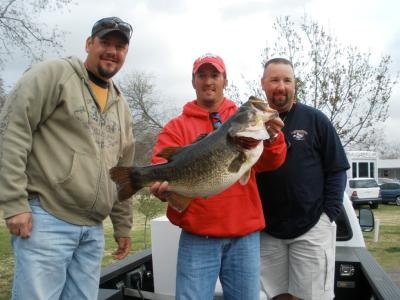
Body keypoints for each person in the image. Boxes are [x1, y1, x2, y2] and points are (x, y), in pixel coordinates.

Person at [0, 17, 135, 300]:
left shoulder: (122, 107)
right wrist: (14, 203)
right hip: (46, 219)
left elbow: (124, 173)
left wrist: (122, 226)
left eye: (120, 46)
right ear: (89, 44)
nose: (112, 51)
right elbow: (12, 132)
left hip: (92, 232)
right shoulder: (54, 75)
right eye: (105, 42)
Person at [150, 53, 287, 300]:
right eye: (202, 75)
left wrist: (274, 137)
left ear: (225, 81)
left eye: (215, 75)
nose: (208, 81)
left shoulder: (245, 118)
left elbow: (271, 162)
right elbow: (160, 164)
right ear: (193, 82)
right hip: (198, 238)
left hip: (244, 238)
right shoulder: (176, 127)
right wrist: (160, 188)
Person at [256, 57, 350, 300]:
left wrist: (328, 214)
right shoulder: (253, 122)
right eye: (274, 79)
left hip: (311, 228)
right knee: (277, 296)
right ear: (263, 84)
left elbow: (337, 168)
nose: (281, 86)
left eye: (287, 80)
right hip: (267, 230)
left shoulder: (315, 119)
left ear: (294, 84)